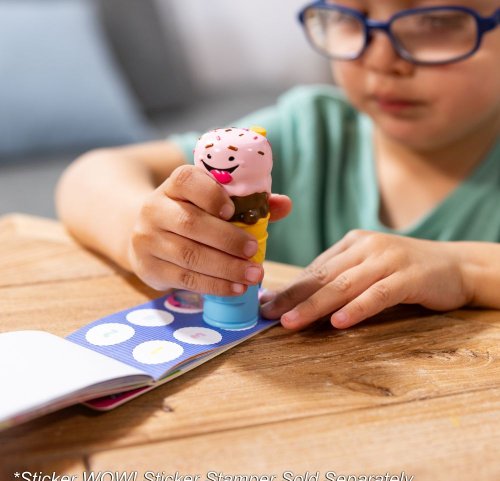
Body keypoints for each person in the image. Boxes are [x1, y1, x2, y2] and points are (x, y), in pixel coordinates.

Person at [56, 0, 500, 331]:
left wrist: (465, 269)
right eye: (350, 15)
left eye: (435, 22)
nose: (381, 60)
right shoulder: (311, 129)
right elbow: (90, 174)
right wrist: (146, 233)